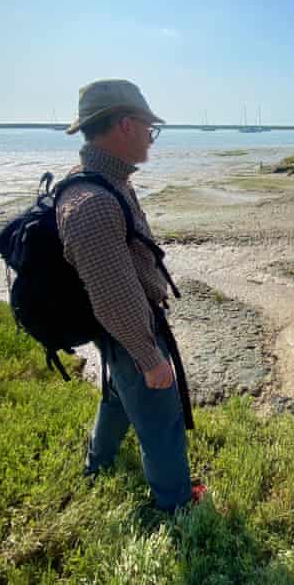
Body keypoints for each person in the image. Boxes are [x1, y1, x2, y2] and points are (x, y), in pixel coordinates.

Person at [57, 79, 197, 512]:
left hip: (121, 330)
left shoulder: (109, 182)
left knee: (119, 395)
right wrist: (150, 356)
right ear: (124, 126)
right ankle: (176, 509)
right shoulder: (93, 201)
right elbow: (114, 295)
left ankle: (97, 465)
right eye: (148, 128)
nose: (151, 138)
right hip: (127, 329)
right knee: (161, 420)